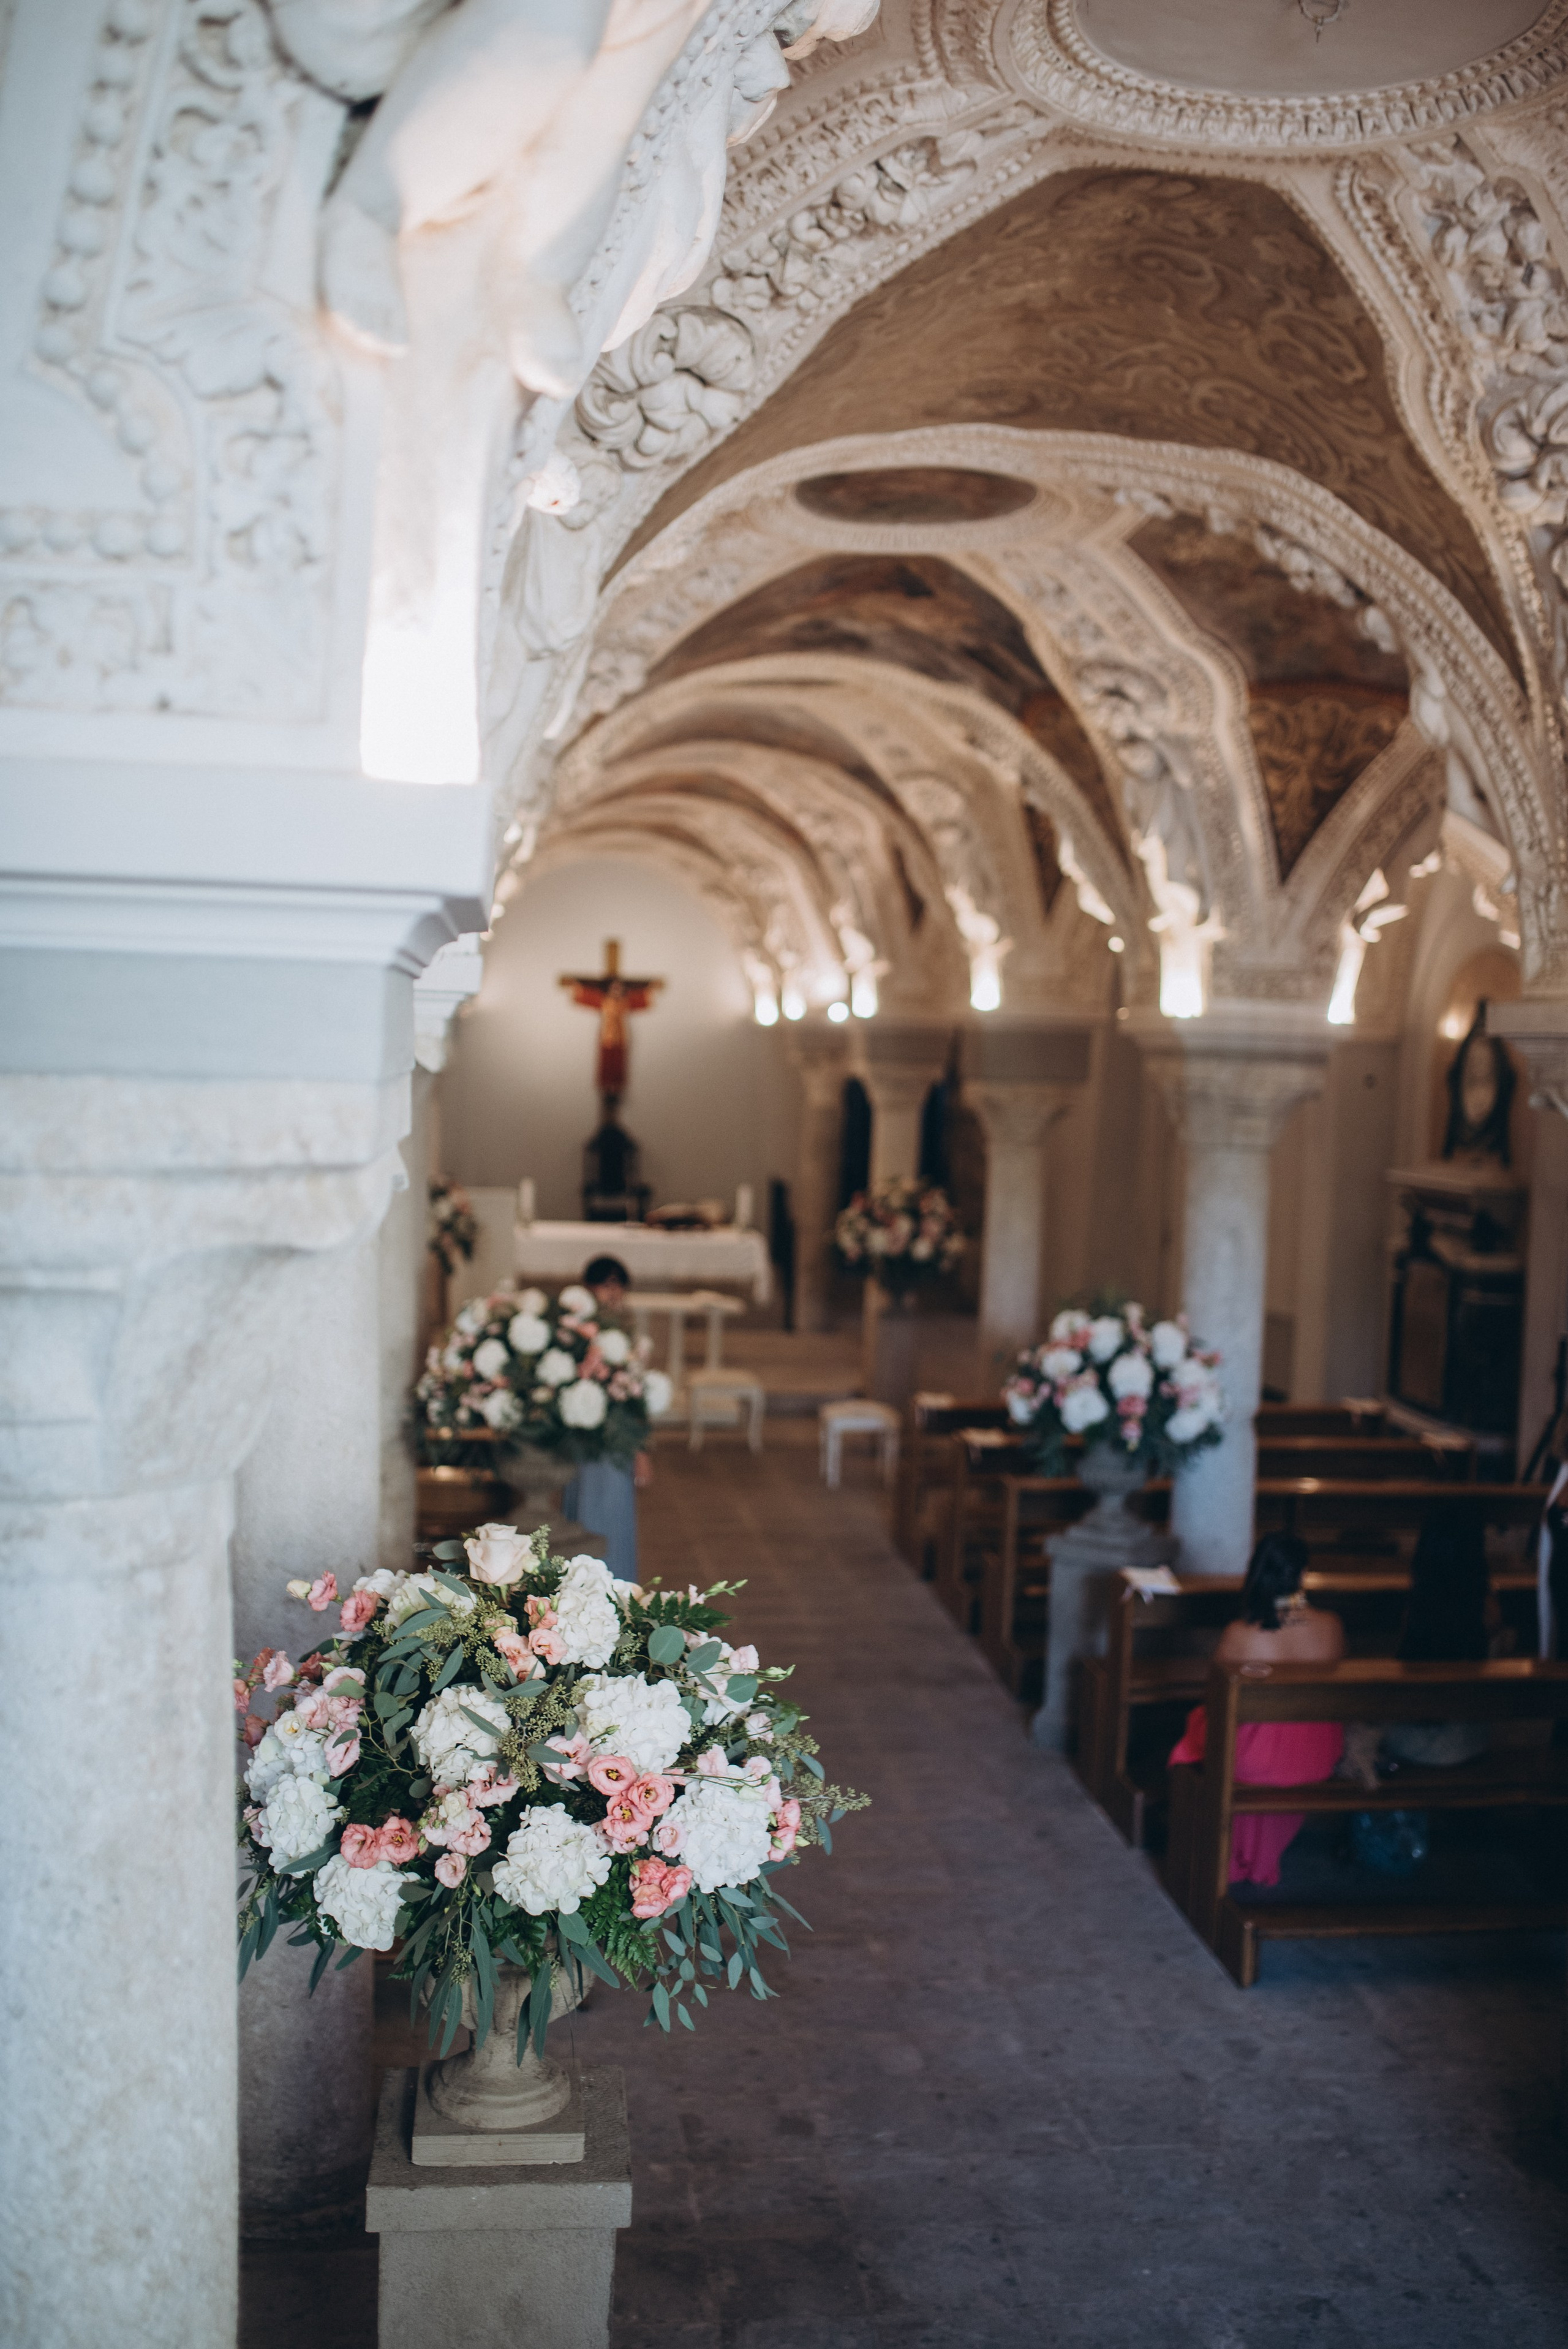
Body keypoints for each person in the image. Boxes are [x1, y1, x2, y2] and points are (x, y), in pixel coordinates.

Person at [1168, 1532, 1344, 1888]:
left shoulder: (1240, 1633)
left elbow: (1213, 1696)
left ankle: (1226, 1843)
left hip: (1253, 1757)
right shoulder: (1331, 1626)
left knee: (1204, 1724)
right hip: (1316, 1753)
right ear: (1304, 1574)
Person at [561, 1254, 651, 1580]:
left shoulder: (628, 1331)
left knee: (615, 1518)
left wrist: (641, 1452)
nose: (612, 1293)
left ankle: (618, 1592)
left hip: (617, 1442)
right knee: (582, 1517)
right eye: (605, 1284)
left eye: (618, 1285)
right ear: (589, 1287)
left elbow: (636, 1399)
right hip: (585, 1438)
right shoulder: (575, 1330)